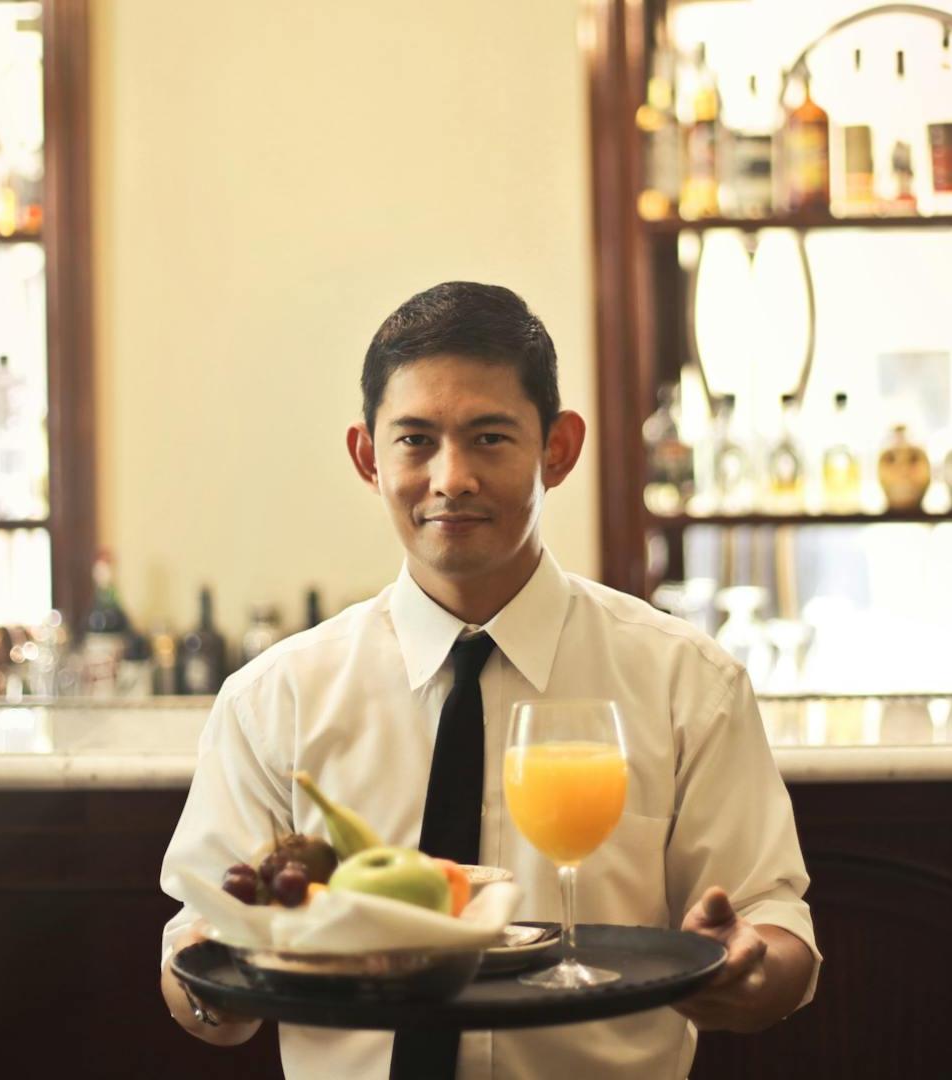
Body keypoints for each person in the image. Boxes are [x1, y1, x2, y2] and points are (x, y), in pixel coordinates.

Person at [159, 282, 818, 1077]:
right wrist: (213, 978)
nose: (451, 478)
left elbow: (776, 929)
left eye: (490, 438)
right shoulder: (275, 700)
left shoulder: (686, 681)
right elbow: (199, 963)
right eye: (415, 441)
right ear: (368, 458)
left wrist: (749, 968)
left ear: (558, 449)